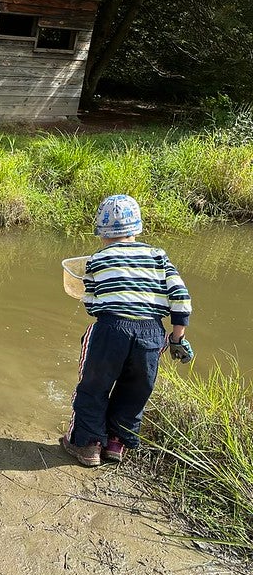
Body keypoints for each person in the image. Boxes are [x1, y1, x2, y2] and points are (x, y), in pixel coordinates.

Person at [61, 194, 193, 467]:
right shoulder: (158, 256)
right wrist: (177, 337)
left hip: (111, 330)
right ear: (137, 229)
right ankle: (115, 444)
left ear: (101, 232)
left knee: (93, 387)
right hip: (151, 334)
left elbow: (91, 301)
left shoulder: (98, 259)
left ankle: (87, 446)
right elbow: (180, 295)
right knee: (135, 391)